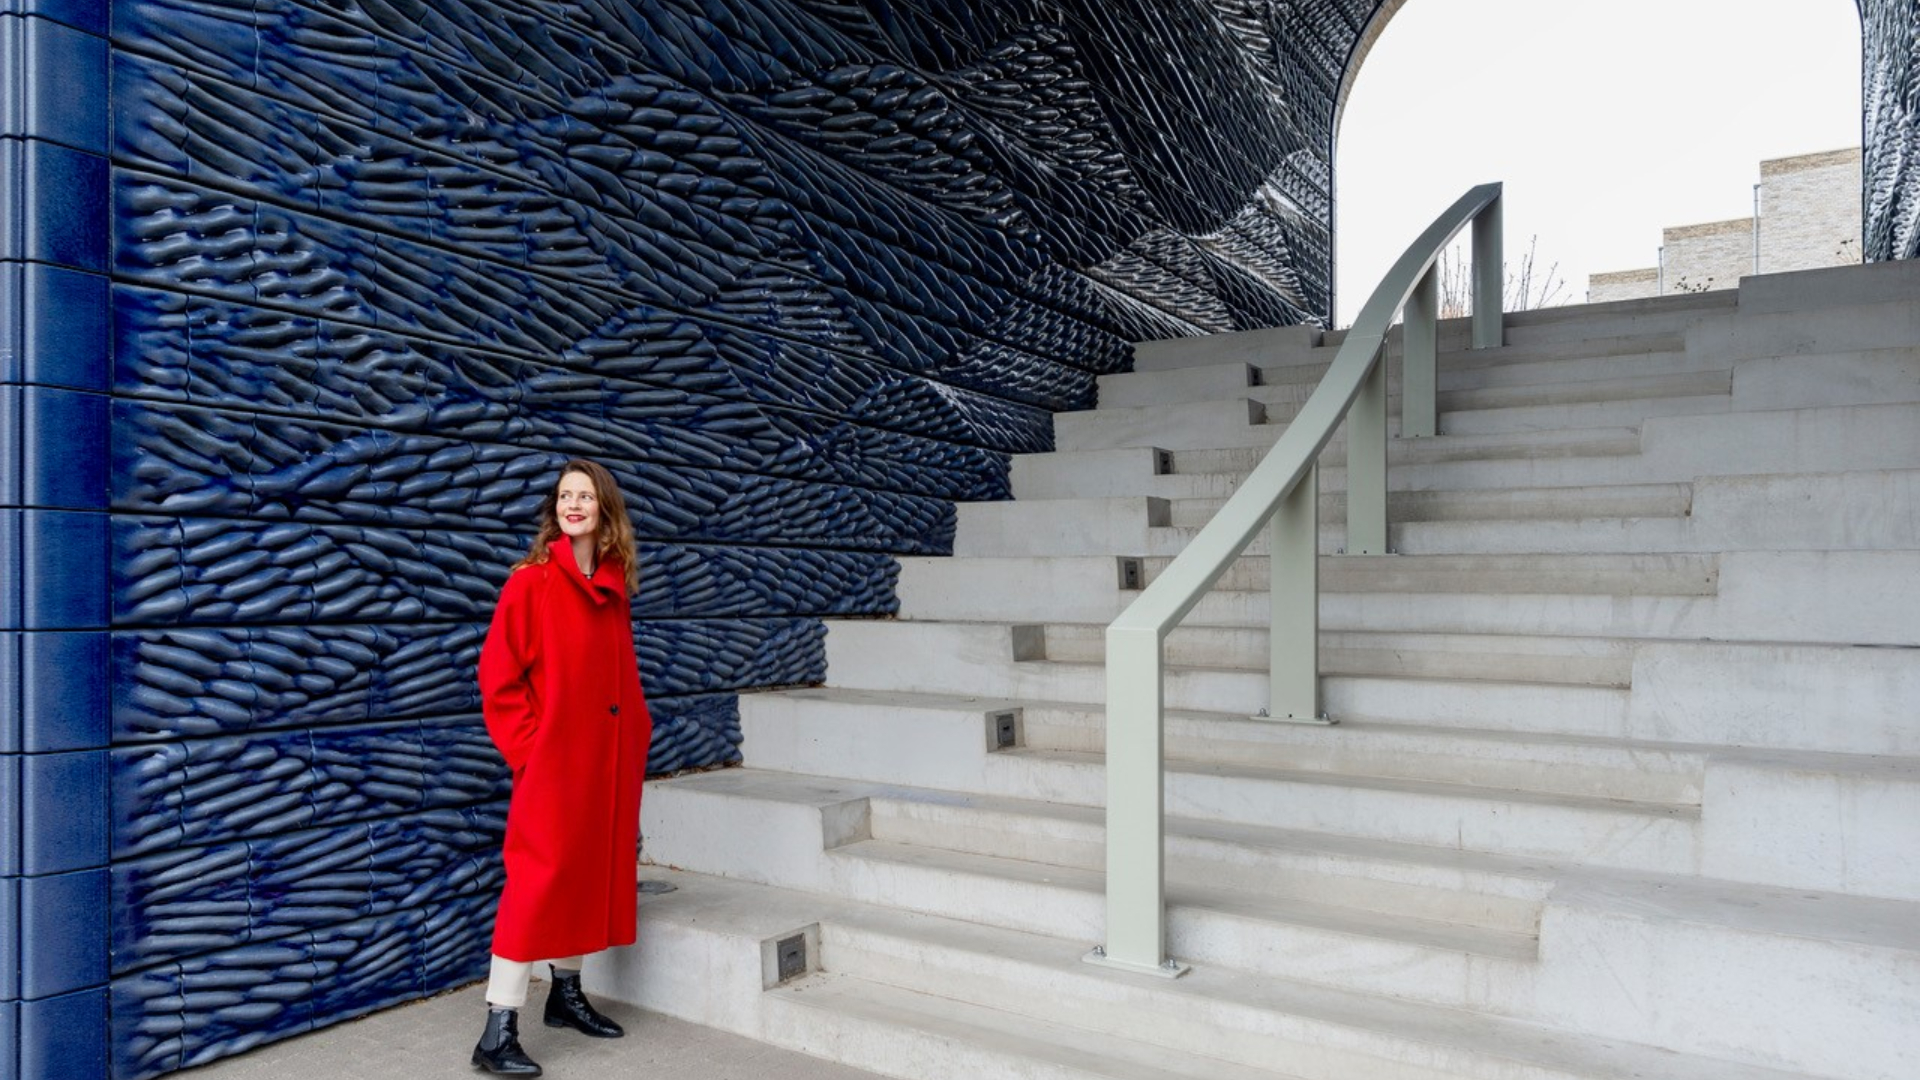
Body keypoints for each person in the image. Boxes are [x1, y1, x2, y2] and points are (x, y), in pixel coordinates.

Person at [471, 459, 654, 1076]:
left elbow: (618, 675)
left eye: (585, 496)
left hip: (604, 762)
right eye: (564, 496)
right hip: (554, 765)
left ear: (605, 510)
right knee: (534, 885)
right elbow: (498, 677)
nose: (572, 504)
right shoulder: (532, 582)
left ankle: (566, 995)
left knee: (585, 874)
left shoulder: (612, 585)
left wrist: (635, 733)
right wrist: (532, 750)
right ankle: (497, 1028)